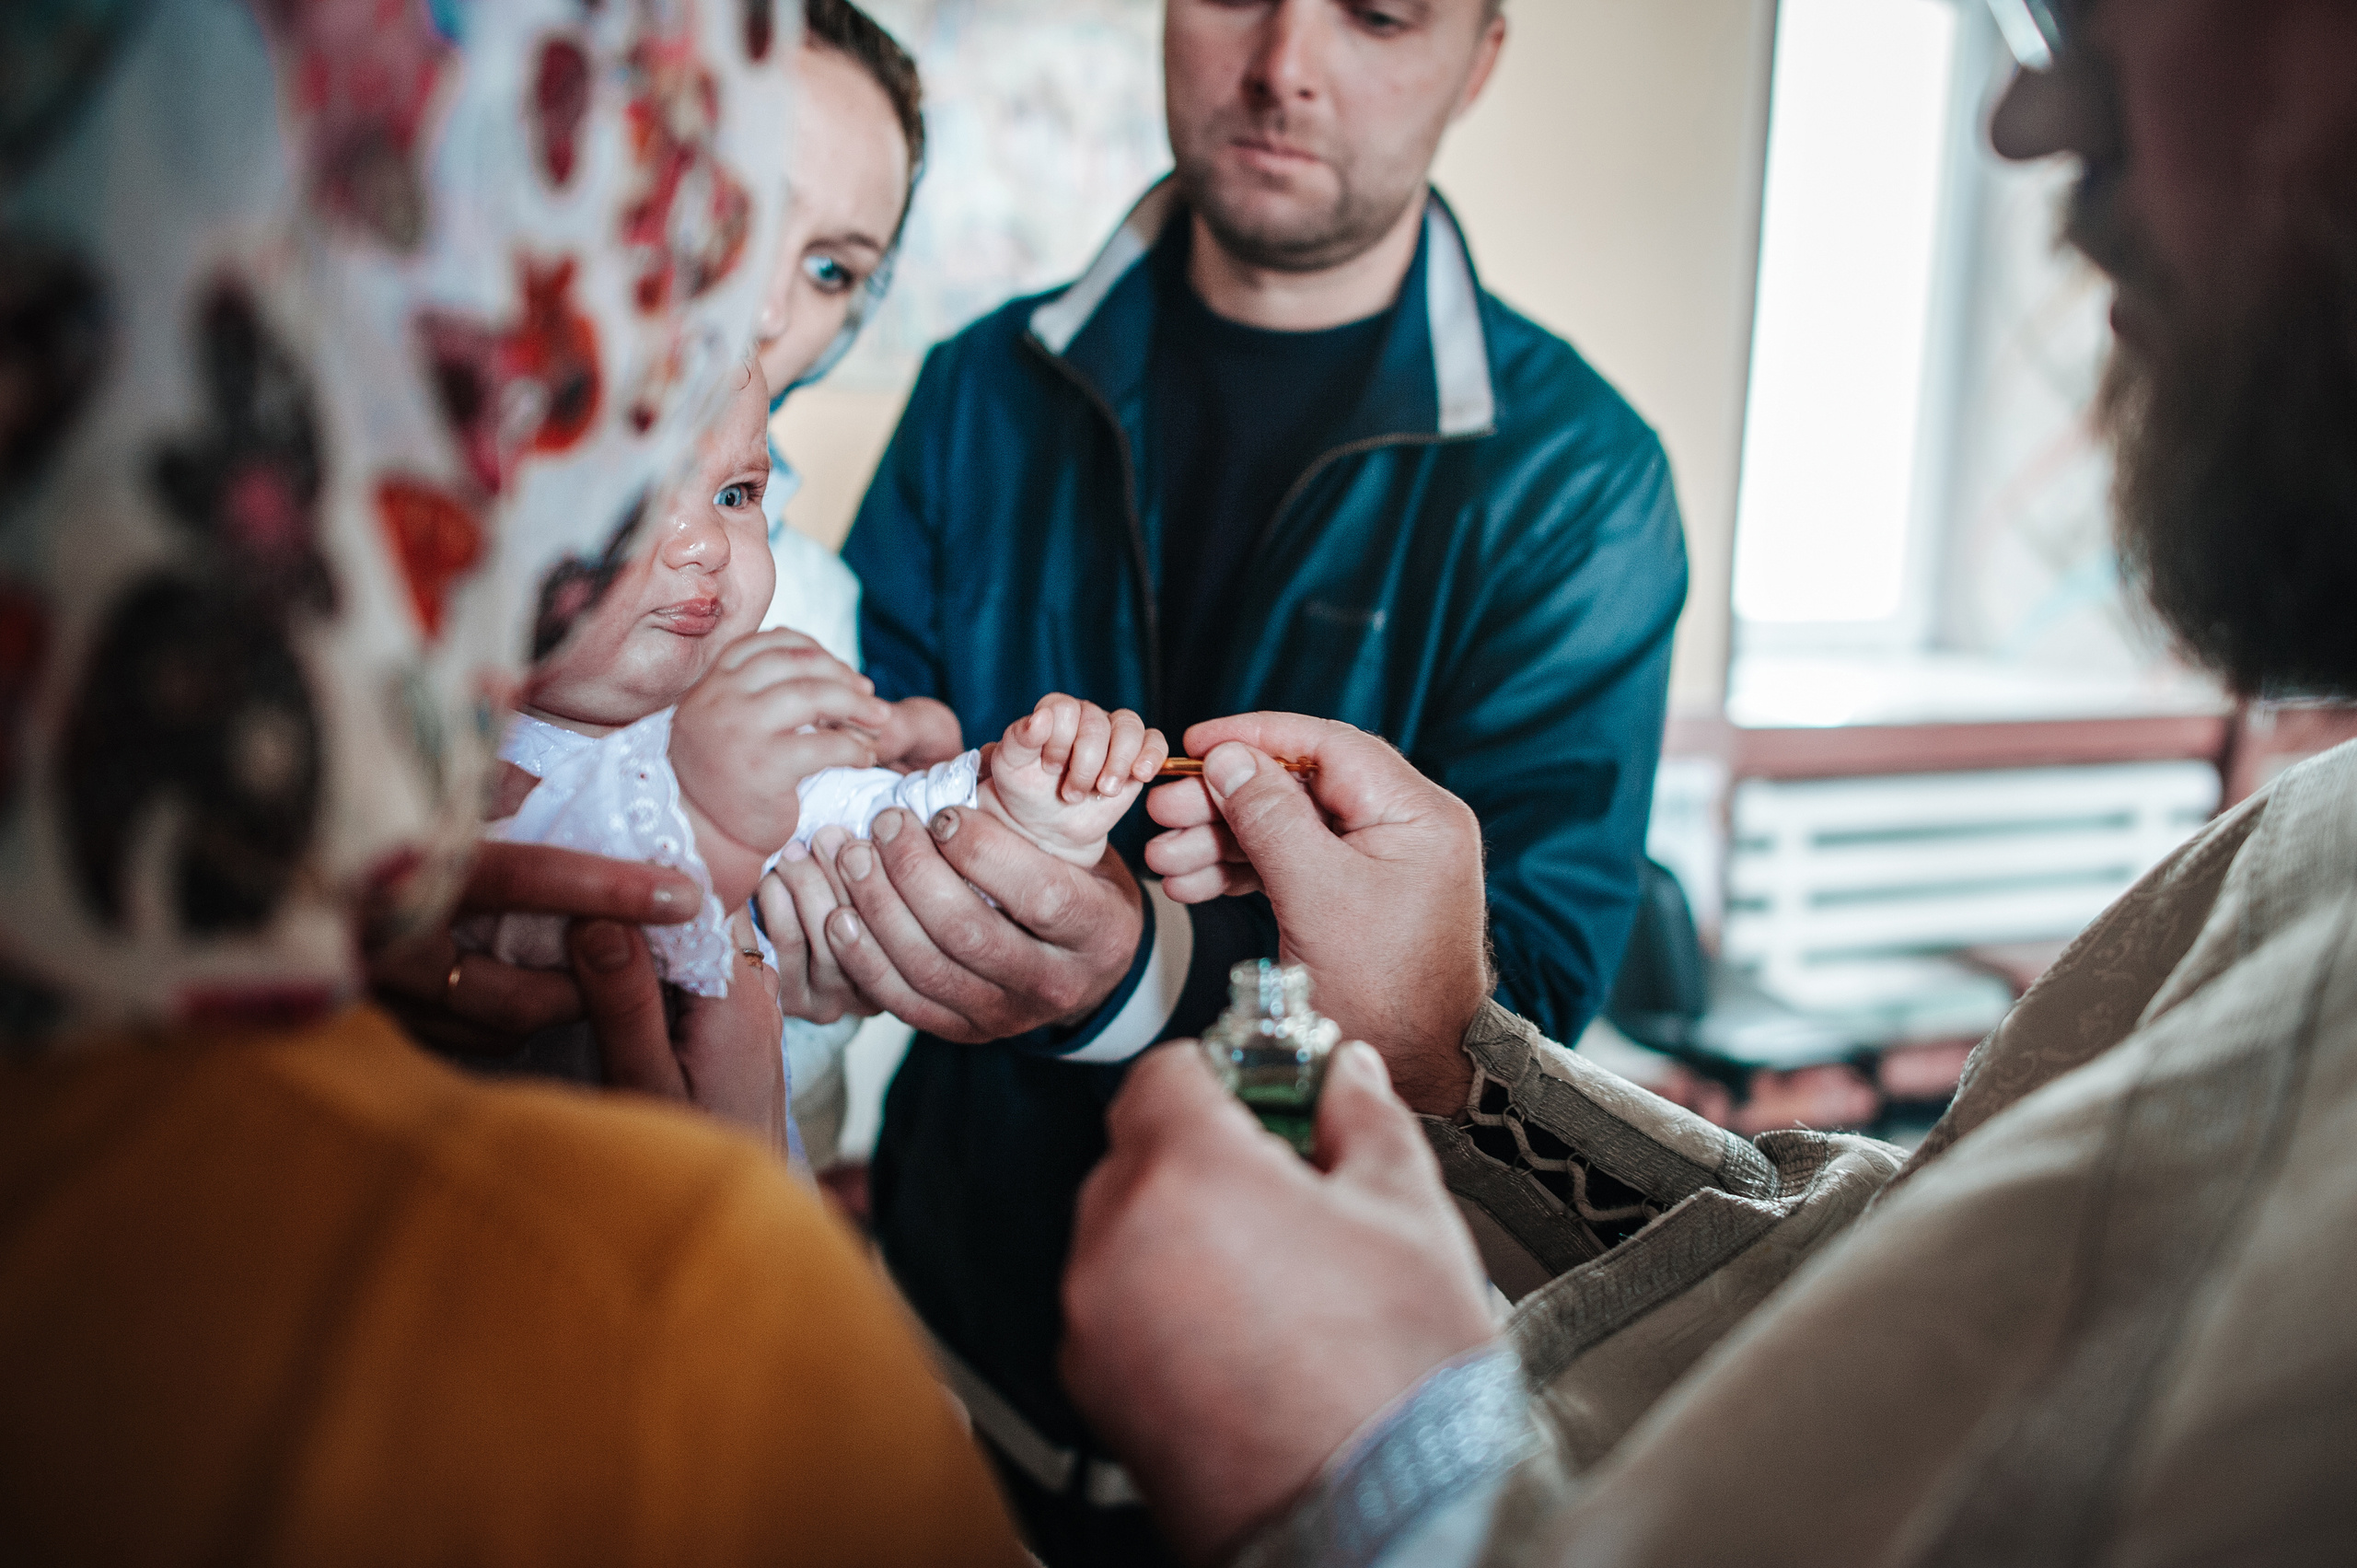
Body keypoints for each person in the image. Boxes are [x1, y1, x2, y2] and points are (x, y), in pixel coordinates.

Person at [1061, 0, 2357, 1562]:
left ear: (1476, 60)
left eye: (2098, 11)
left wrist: (1386, 1495)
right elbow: (1903, 1299)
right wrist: (1450, 1062)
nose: (2022, 120)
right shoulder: (2309, 832)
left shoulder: (1578, 476)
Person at [0, 1, 1027, 1560]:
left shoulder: (785, 612)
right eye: (692, 228)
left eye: (826, 265)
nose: (735, 305)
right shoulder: (650, 1322)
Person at [819, 2, 1689, 1552]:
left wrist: (1133, 970)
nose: (1285, 61)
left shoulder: (1580, 485)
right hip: (940, 1332)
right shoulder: (979, 386)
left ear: (1479, 57)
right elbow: (858, 780)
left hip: (1304, 1420)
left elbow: (1518, 996)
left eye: (1378, 14)